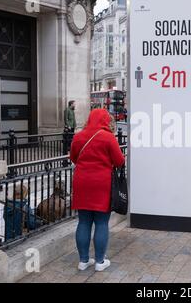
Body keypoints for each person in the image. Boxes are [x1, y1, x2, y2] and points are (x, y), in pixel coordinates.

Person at [70, 109, 125, 272]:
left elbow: (73, 157)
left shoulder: (78, 136)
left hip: (82, 182)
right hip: (102, 182)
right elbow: (119, 160)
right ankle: (100, 261)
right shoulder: (107, 137)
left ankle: (83, 261)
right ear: (105, 120)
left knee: (83, 221)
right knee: (101, 222)